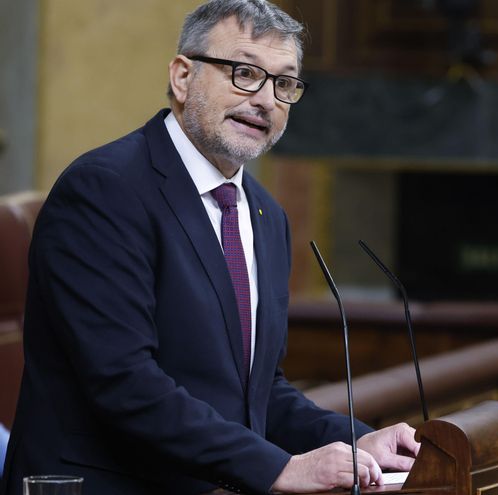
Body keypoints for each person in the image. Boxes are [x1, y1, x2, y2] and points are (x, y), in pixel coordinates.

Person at [0, 1, 419, 494]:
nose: (265, 100)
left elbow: (257, 392)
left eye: (284, 83)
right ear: (183, 77)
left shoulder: (266, 214)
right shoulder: (105, 189)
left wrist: (355, 441)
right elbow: (124, 382)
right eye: (245, 73)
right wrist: (280, 469)